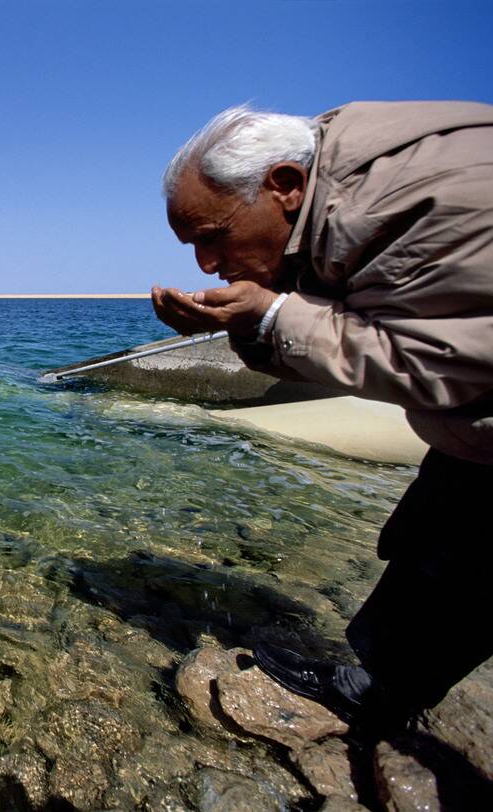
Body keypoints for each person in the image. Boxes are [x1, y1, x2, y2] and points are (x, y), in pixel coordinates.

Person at [152, 101, 493, 734]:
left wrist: (274, 314)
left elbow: (454, 365)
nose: (205, 263)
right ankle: (380, 683)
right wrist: (258, 323)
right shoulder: (341, 183)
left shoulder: (416, 210)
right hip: (474, 443)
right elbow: (348, 340)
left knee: (468, 552)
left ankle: (376, 702)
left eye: (213, 235)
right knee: (433, 530)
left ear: (284, 185)